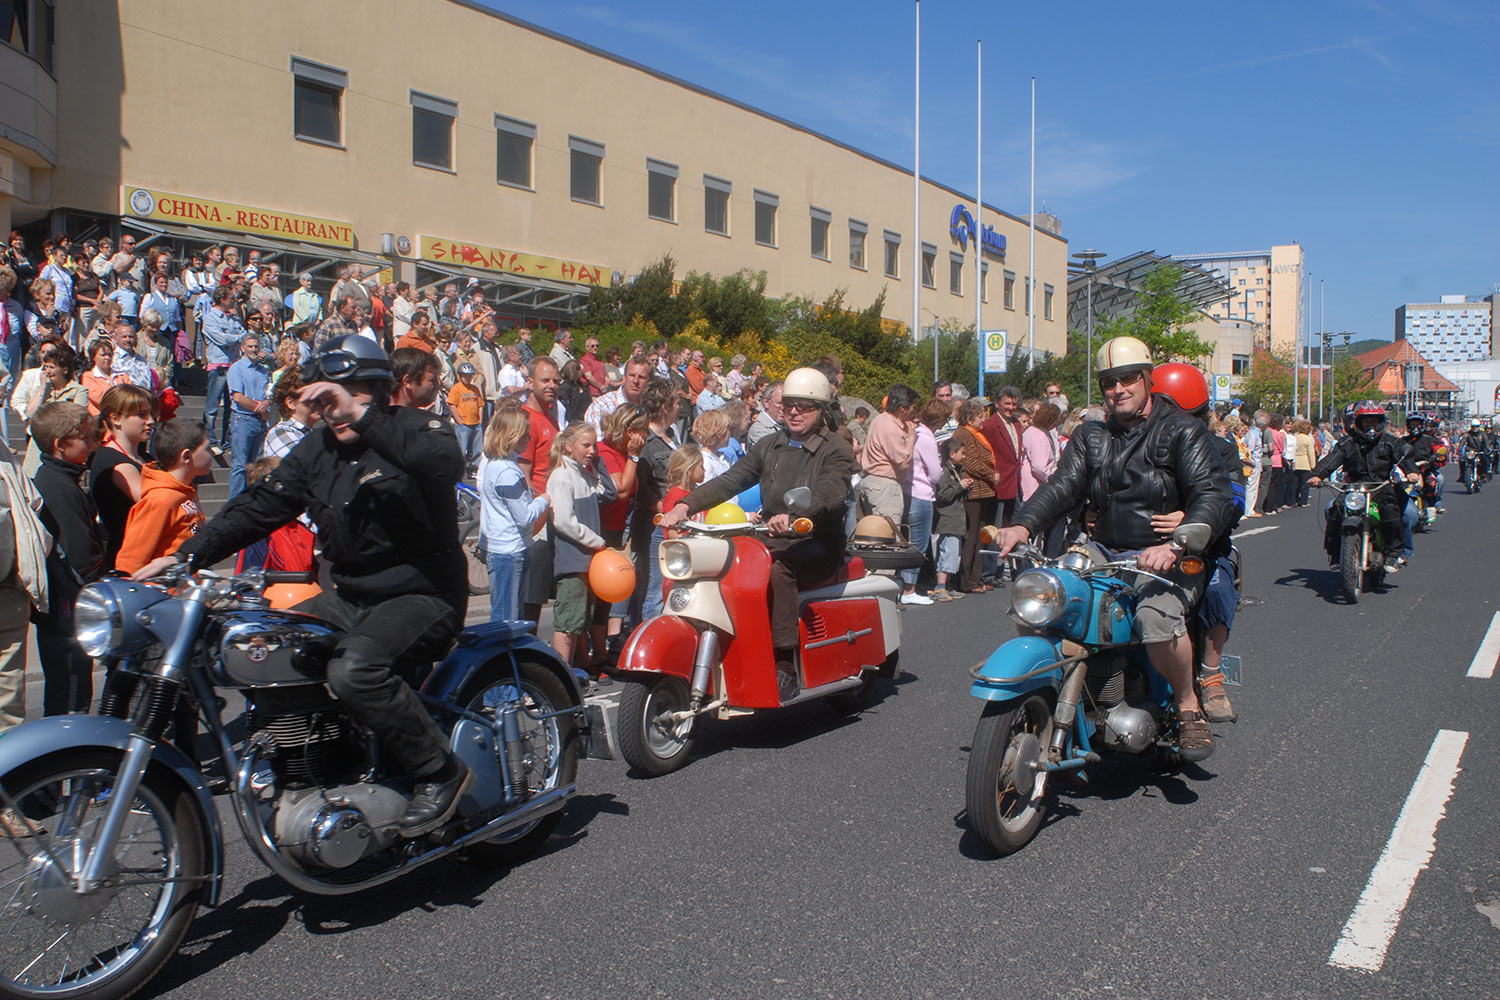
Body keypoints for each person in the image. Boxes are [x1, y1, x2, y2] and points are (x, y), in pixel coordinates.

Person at [135, 336, 474, 836]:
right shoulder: (317, 449)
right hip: (352, 594)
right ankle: (320, 761)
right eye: (330, 392)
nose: (337, 404)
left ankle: (440, 771)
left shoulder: (415, 427)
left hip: (422, 593)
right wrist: (186, 555)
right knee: (264, 650)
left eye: (354, 391)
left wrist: (361, 416)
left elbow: (445, 463)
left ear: (380, 392)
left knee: (355, 670)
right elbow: (262, 504)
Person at [990, 338, 1235, 762]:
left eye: (1126, 379)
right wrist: (1022, 525)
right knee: (1048, 597)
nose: (1118, 389)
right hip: (1103, 549)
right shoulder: (1091, 435)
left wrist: (1177, 542)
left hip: (1164, 555)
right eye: (1109, 381)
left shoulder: (1182, 430)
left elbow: (1211, 493)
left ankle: (1186, 705)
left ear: (1146, 380)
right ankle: (1062, 691)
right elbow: (1063, 486)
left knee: (1155, 618)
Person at [661, 367, 858, 698]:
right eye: (790, 403)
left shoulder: (835, 450)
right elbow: (731, 480)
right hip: (770, 535)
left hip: (816, 540)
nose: (794, 411)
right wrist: (685, 506)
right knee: (725, 563)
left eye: (805, 405)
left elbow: (828, 492)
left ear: (821, 409)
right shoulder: (770, 445)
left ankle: (784, 665)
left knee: (780, 569)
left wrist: (796, 515)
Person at [1148, 362, 1240, 725]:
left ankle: (1211, 673)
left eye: (1170, 410)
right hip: (1141, 548)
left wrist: (1192, 518)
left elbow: (1232, 500)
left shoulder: (1221, 448)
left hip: (1204, 548)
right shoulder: (1139, 442)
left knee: (1218, 590)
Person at [29, 401, 106, 715]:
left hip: (63, 607)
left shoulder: (58, 478)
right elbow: (81, 555)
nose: (91, 444)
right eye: (85, 438)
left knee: (68, 688)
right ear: (61, 445)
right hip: (67, 608)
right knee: (71, 693)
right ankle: (66, 757)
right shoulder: (57, 486)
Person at [1308, 400, 1418, 573]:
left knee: (1391, 509)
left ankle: (1393, 554)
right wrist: (1317, 474)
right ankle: (1336, 554)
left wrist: (1412, 472)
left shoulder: (1390, 441)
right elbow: (1332, 459)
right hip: (1355, 487)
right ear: (1358, 423)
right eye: (1366, 421)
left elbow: (1403, 455)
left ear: (1381, 422)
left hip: (1382, 485)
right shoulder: (1347, 442)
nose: (1371, 426)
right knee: (1335, 509)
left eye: (1374, 421)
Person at [546, 422, 618, 679]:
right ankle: (562, 674)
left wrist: (598, 463)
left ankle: (581, 664)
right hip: (573, 560)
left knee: (581, 619)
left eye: (594, 445)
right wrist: (596, 541)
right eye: (585, 445)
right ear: (568, 447)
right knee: (568, 620)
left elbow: (609, 494)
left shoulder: (584, 473)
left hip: (588, 561)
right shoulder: (562, 476)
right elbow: (564, 521)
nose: (592, 450)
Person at [478, 406, 550, 623]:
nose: (529, 437)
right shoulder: (507, 472)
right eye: (525, 432)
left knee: (508, 614)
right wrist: (544, 499)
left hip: (506, 549)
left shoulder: (499, 465)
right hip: (508, 552)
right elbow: (525, 516)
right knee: (506, 619)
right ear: (512, 435)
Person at [114, 418, 211, 575]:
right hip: (165, 593)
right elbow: (131, 560)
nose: (212, 453)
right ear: (187, 456)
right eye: (207, 448)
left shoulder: (185, 489)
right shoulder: (160, 499)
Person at [90, 384, 158, 569]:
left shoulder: (144, 457)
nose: (151, 421)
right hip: (129, 559)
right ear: (116, 418)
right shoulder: (114, 461)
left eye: (151, 414)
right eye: (142, 415)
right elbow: (153, 503)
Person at [517, 356, 563, 622]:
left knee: (540, 593)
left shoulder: (551, 417)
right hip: (536, 520)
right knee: (530, 596)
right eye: (545, 380)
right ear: (529, 382)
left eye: (556, 380)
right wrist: (533, 514)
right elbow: (523, 474)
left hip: (550, 513)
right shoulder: (527, 418)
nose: (552, 385)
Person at [901, 398, 947, 605]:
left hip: (908, 490)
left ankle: (906, 586)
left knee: (908, 540)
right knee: (918, 543)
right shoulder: (927, 438)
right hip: (921, 492)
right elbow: (936, 474)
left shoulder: (914, 433)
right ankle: (909, 590)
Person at [950, 399, 999, 594]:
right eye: (980, 416)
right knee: (971, 537)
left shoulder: (977, 434)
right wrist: (990, 474)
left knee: (981, 536)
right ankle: (966, 580)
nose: (984, 420)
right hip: (974, 491)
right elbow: (968, 462)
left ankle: (976, 578)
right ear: (969, 419)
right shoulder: (962, 434)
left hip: (984, 490)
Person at [227, 332, 271, 498]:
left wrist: (266, 404)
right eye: (250, 346)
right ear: (242, 348)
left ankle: (252, 500)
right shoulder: (236, 368)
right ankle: (235, 503)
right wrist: (260, 408)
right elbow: (238, 397)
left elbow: (267, 396)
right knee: (240, 465)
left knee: (257, 466)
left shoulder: (262, 371)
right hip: (243, 420)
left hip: (259, 422)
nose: (253, 349)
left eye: (256, 346)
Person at [201, 284, 245, 451]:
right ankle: (210, 441)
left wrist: (237, 335)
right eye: (231, 298)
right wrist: (237, 338)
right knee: (212, 405)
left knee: (231, 405)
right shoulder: (210, 318)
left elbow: (243, 333)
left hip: (233, 365)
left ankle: (228, 441)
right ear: (222, 299)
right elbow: (222, 339)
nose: (234, 301)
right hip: (218, 365)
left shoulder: (233, 317)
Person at [930, 436, 973, 602]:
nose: (964, 456)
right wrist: (960, 486)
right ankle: (940, 586)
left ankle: (947, 585)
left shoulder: (957, 469)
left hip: (956, 518)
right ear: (952, 453)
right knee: (948, 551)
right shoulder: (944, 472)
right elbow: (942, 495)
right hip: (948, 518)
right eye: (962, 453)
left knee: (954, 553)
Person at [261, 369, 320, 459]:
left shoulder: (312, 433)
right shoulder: (280, 432)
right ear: (291, 403)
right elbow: (307, 466)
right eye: (312, 397)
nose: (320, 402)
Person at [584, 356, 652, 432]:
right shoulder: (602, 405)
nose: (636, 381)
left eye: (641, 377)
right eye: (632, 375)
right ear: (624, 377)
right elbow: (597, 441)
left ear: (649, 381)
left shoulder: (651, 408)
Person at [448, 362, 484, 470]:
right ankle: (460, 469)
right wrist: (459, 420)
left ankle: (476, 467)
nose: (468, 378)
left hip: (476, 423)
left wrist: (480, 420)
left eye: (470, 376)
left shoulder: (475, 389)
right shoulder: (456, 388)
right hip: (464, 424)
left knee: (478, 448)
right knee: (462, 448)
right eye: (465, 376)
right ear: (460, 376)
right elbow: (452, 405)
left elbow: (480, 405)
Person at [747, 381, 783, 446]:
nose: (784, 408)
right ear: (766, 402)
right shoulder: (758, 430)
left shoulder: (786, 425)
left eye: (787, 404)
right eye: (779, 403)